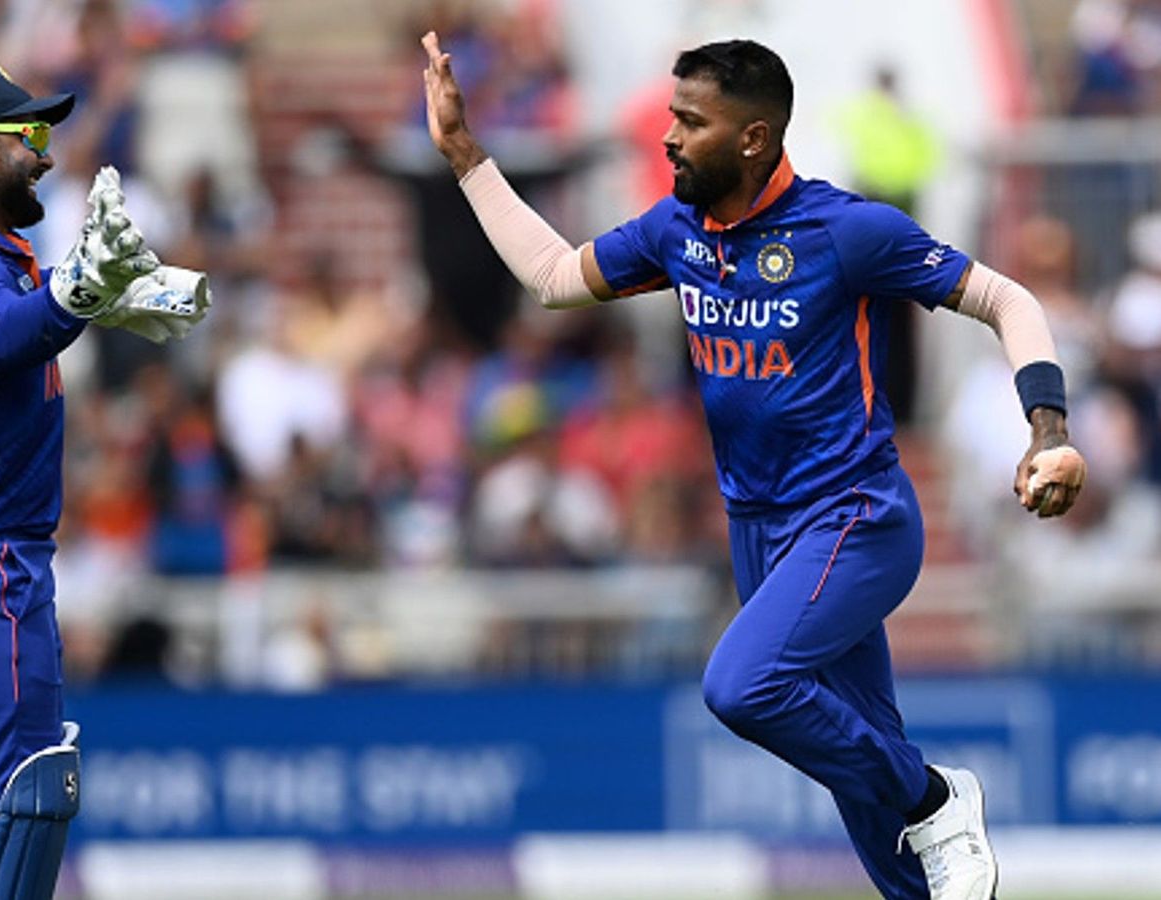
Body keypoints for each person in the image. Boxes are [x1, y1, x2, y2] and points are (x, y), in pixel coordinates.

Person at [423, 34, 1086, 900]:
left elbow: (1008, 298)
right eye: (671, 116)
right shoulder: (676, 230)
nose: (667, 138)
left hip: (854, 516)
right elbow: (552, 276)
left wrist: (1046, 430)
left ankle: (936, 794)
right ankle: (920, 845)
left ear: (754, 138)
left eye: (689, 122)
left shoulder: (846, 230)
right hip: (759, 533)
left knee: (743, 686)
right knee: (866, 791)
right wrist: (465, 154)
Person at [0, 64, 209, 900]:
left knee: (14, 798)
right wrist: (76, 289)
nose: (49, 157)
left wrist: (100, 297)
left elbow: (19, 330)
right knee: (24, 796)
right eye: (31, 139)